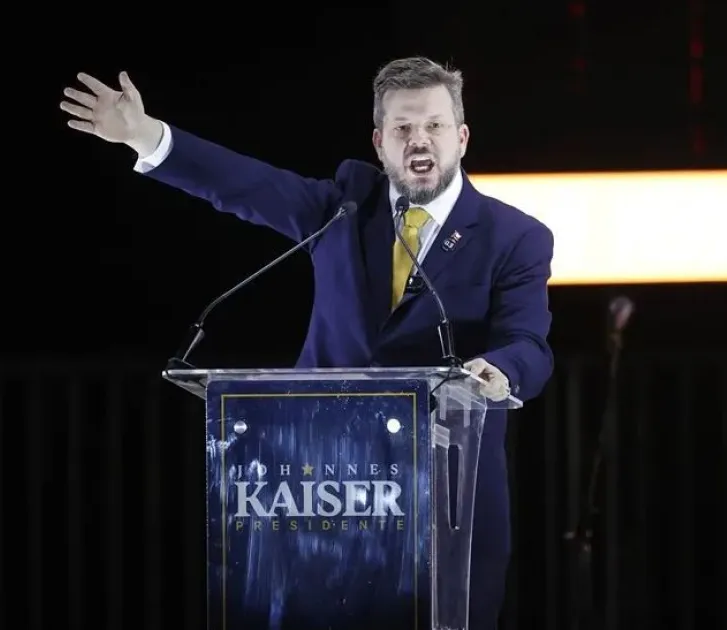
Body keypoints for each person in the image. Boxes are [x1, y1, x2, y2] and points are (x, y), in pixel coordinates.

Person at [61, 56, 554, 628]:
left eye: (435, 126)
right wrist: (147, 136)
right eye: (402, 128)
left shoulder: (515, 237)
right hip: (323, 492)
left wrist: (497, 371)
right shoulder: (343, 208)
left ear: (462, 137)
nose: (419, 140)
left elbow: (529, 344)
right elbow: (243, 185)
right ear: (379, 141)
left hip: (445, 499)